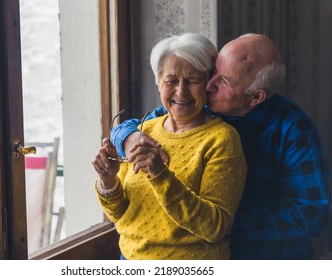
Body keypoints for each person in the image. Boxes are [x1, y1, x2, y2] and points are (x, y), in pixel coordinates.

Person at [111, 33, 330, 259]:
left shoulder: (292, 129)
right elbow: (135, 127)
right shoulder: (201, 107)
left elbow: (311, 215)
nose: (209, 84)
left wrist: (226, 216)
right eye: (214, 71)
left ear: (255, 97)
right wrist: (128, 138)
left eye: (223, 81)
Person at [92, 33, 247, 260]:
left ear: (208, 84)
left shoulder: (222, 139)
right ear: (158, 82)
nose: (181, 91)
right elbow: (122, 215)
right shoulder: (143, 132)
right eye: (171, 80)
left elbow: (214, 227)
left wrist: (160, 174)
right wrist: (108, 181)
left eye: (192, 80)